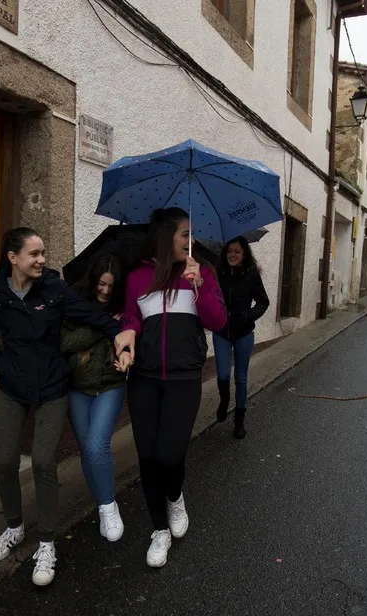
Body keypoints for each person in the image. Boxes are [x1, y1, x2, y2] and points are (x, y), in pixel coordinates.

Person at [0, 228, 133, 586]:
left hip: (51, 387)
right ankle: (14, 527)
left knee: (44, 461)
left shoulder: (54, 289)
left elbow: (93, 315)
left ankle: (47, 543)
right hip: (13, 386)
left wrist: (121, 333)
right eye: (34, 254)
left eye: (43, 253)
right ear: (13, 258)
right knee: (5, 460)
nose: (42, 260)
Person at [115, 207, 227, 568]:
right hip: (144, 380)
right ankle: (159, 529)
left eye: (192, 234)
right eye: (185, 234)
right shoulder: (137, 276)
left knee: (170, 454)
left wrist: (199, 287)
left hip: (183, 379)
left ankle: (175, 496)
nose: (191, 240)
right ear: (165, 237)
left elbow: (218, 321)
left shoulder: (202, 273)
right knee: (147, 456)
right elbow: (131, 315)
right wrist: (127, 333)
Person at [60, 255, 128, 542]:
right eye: (102, 284)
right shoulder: (74, 303)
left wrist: (126, 353)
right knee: (87, 450)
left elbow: (131, 343)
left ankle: (108, 507)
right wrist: (102, 325)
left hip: (110, 386)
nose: (105, 291)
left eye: (111, 286)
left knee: (97, 445)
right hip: (78, 387)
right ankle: (102, 502)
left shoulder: (124, 308)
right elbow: (64, 342)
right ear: (93, 281)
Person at [213, 236, 270, 438]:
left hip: (243, 333)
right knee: (222, 375)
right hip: (221, 332)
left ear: (244, 254)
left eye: (237, 251)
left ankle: (239, 420)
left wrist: (248, 316)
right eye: (230, 251)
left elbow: (263, 301)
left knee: (241, 377)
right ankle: (224, 400)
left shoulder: (251, 274)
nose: (232, 255)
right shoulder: (218, 272)